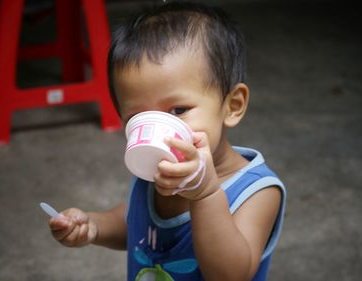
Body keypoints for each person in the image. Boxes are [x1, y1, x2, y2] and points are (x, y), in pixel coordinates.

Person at [48, 2, 286, 280]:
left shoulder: (257, 192)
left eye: (178, 111)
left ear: (232, 105)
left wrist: (206, 194)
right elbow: (138, 226)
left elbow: (230, 275)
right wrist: (94, 226)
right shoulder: (157, 169)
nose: (159, 132)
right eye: (139, 117)